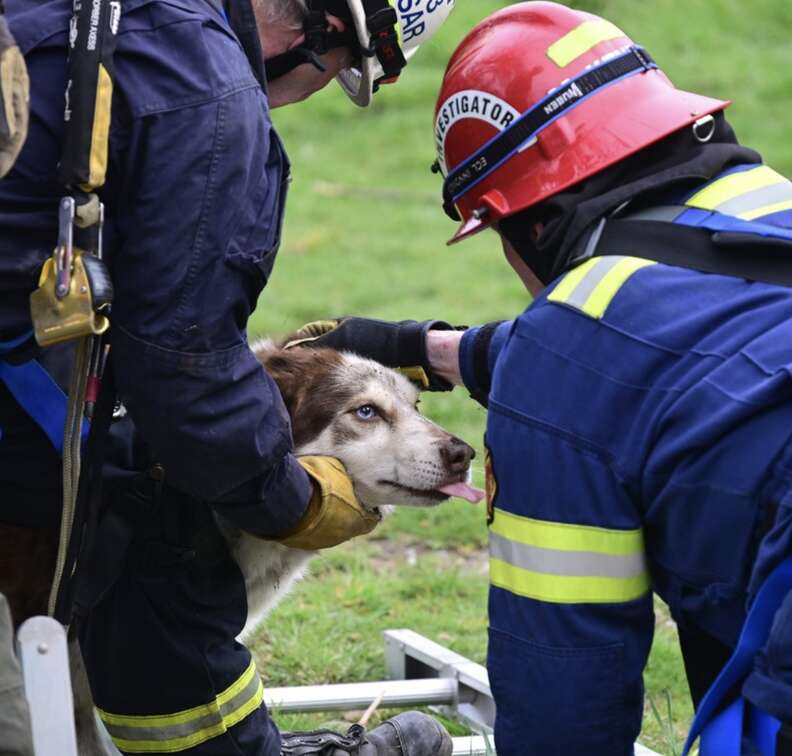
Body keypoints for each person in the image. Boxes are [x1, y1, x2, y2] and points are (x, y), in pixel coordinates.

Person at [296, 3, 792, 754]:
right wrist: (421, 347)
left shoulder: (567, 351)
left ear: (533, 220)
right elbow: (668, 348)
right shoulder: (765, 204)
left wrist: (534, 362)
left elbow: (565, 693)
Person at [0, 0, 455, 754]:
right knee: (148, 523)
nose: (312, 90)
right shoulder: (206, 91)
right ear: (322, 33)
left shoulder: (118, 26)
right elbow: (188, 374)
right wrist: (290, 500)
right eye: (342, 70)